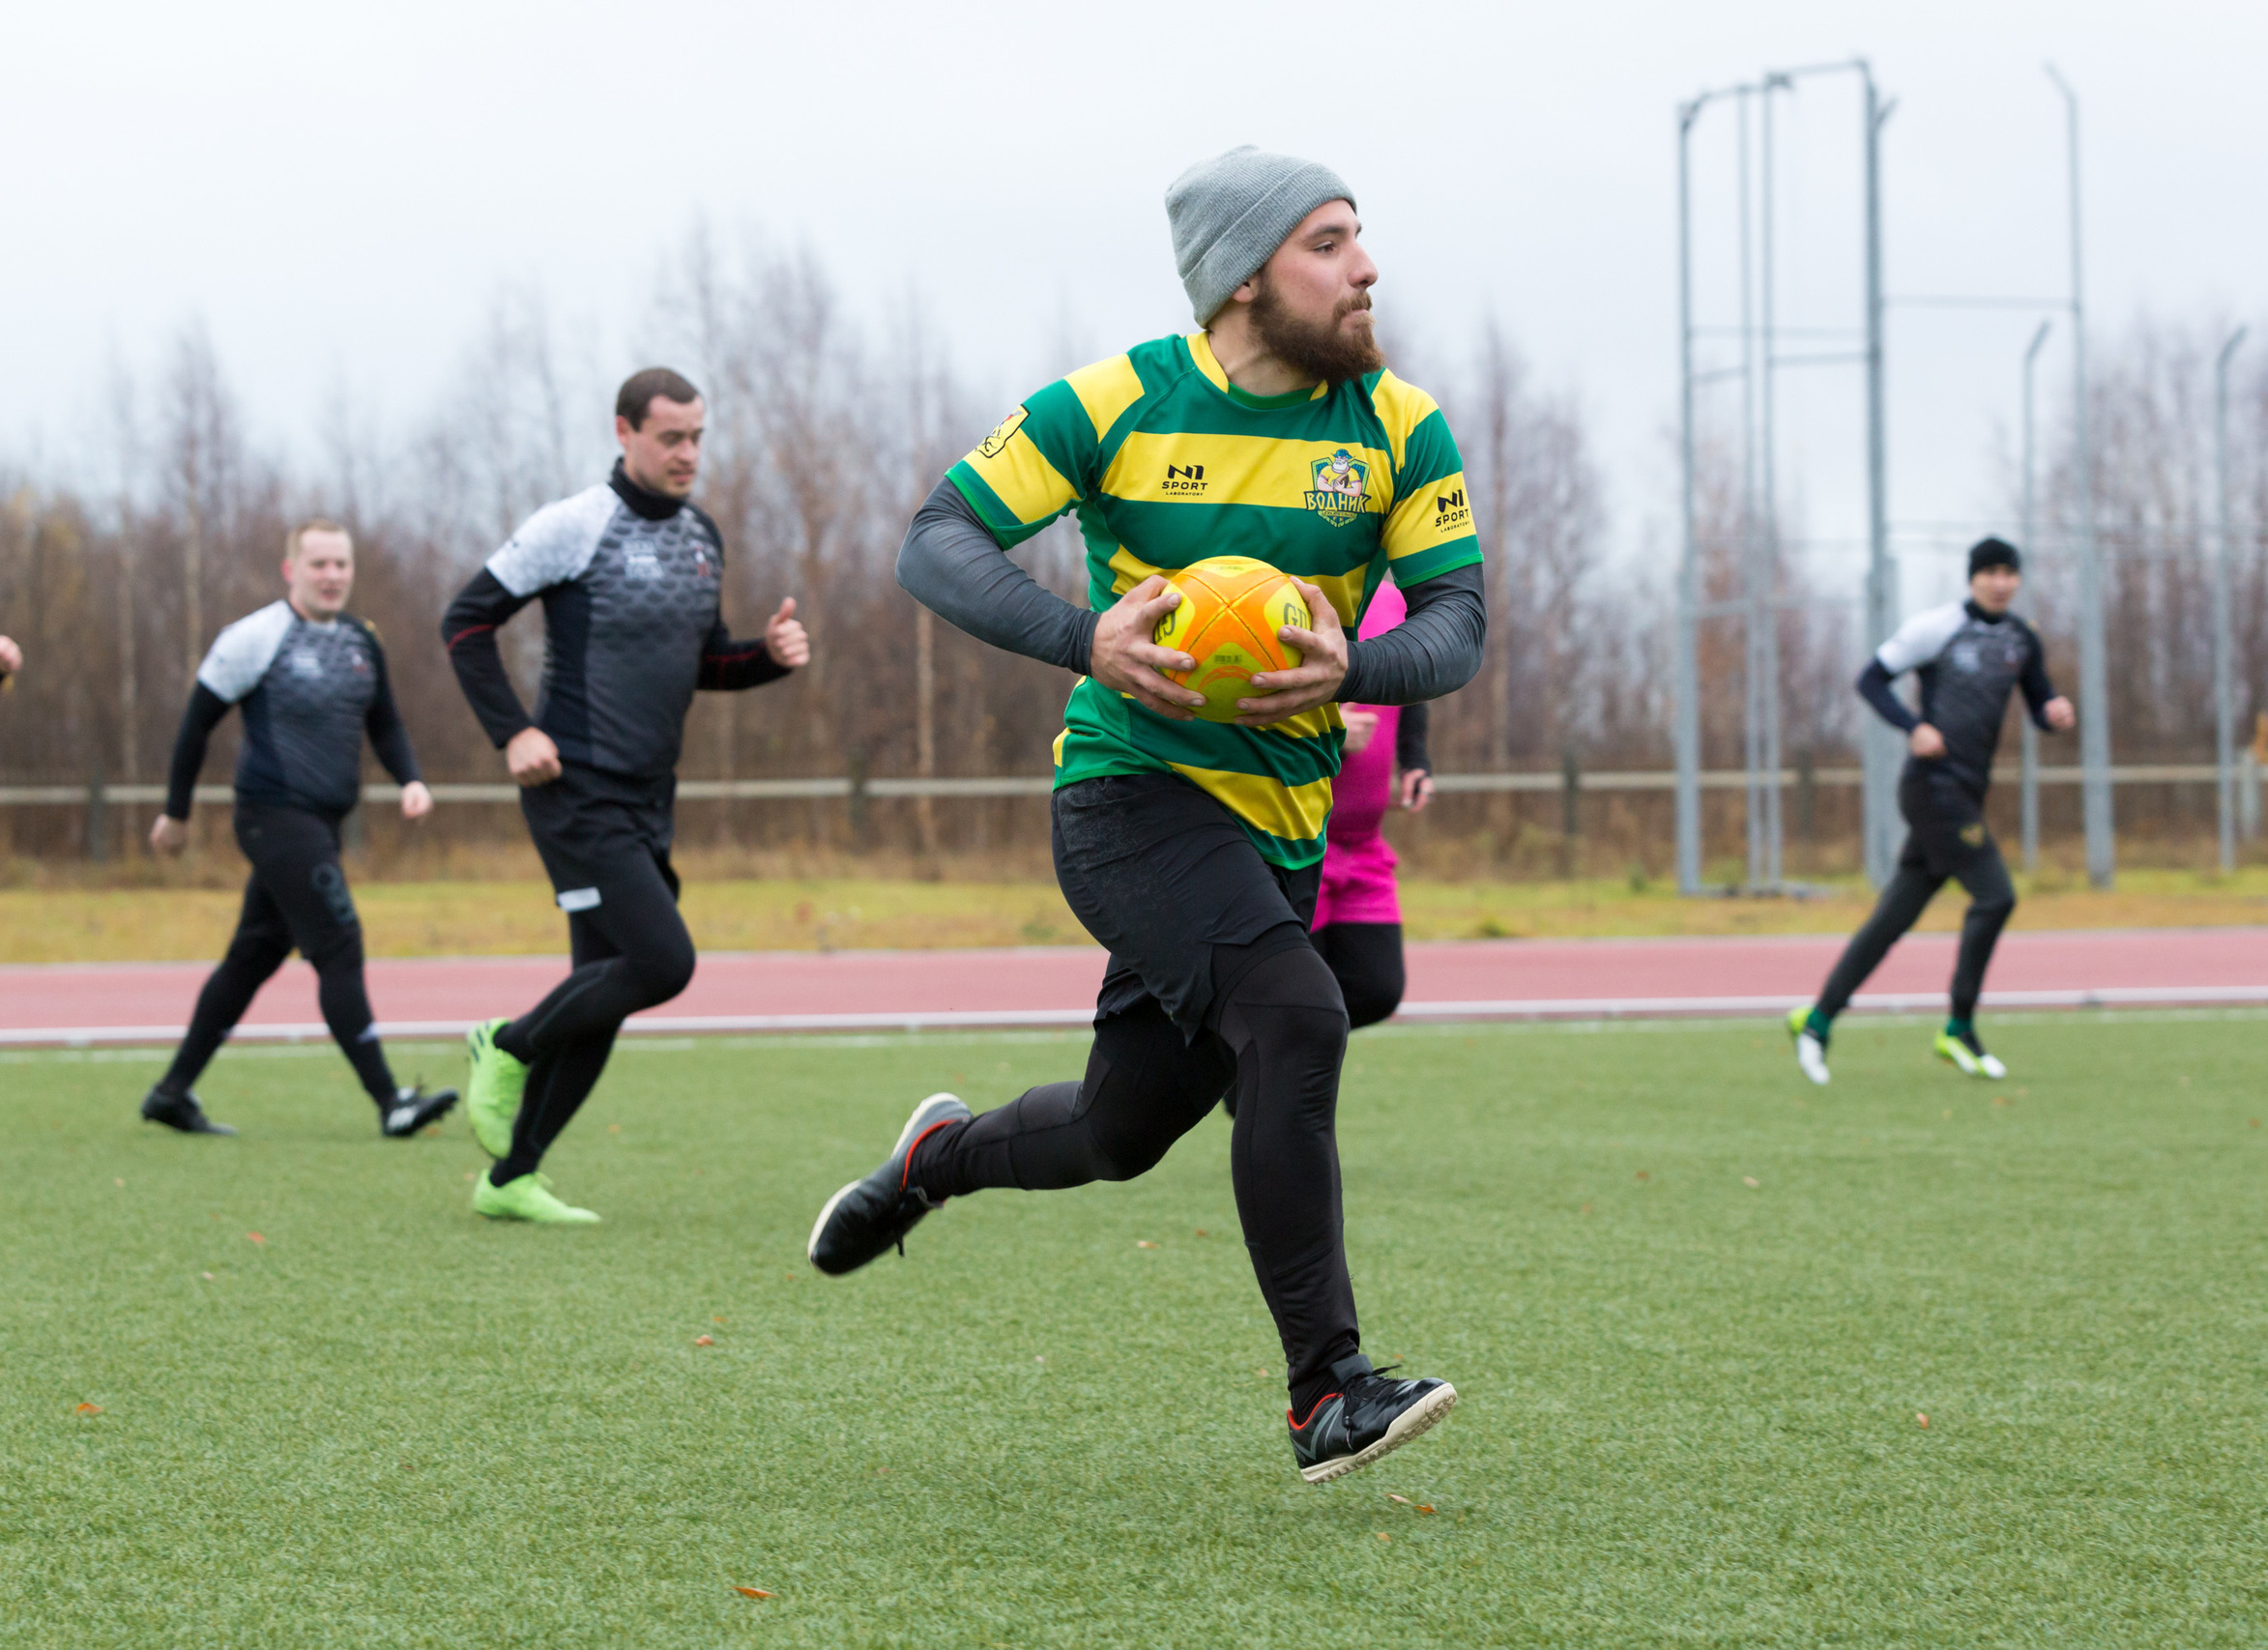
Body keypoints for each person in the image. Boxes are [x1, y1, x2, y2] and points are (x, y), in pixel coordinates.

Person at [807, 146, 1486, 1485]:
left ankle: (935, 1159)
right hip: (1128, 798)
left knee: (1120, 1131)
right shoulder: (1114, 399)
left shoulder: (1401, 422)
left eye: (1362, 238)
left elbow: (1458, 622)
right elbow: (936, 539)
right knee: (1298, 1009)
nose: (1366, 267)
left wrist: (1361, 665)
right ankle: (1326, 1392)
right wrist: (1083, 638)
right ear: (1244, 276)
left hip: (1277, 831)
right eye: (1331, 242)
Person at [441, 367, 807, 1224]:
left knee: (601, 989)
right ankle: (507, 1042)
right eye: (670, 437)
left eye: (698, 436)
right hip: (574, 786)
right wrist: (512, 731)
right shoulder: (574, 526)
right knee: (661, 962)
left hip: (649, 796)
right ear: (624, 432)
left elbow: (703, 660)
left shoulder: (700, 536)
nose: (688, 453)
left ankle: (510, 1178)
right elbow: (464, 622)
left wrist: (765, 656)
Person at [142, 521, 455, 1138]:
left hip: (321, 824)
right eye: (318, 564)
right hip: (273, 817)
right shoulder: (255, 638)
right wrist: (175, 814)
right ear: (292, 570)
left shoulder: (363, 642)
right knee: (339, 942)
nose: (332, 575)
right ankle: (391, 1100)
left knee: (252, 958)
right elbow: (194, 727)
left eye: (341, 564)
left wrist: (410, 780)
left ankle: (170, 1094)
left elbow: (386, 725)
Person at [1788, 536, 2076, 1086]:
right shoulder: (1936, 627)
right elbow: (1870, 680)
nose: (2000, 581)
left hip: (1967, 792)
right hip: (1932, 790)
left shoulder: (2021, 638)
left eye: (2008, 572)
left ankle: (1817, 1020)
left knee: (1893, 918)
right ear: (1972, 578)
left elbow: (2039, 700)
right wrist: (1912, 726)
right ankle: (1958, 1028)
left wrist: (2052, 713)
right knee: (1995, 896)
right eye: (1989, 571)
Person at [1312, 578, 1436, 1029]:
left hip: (1364, 846)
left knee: (1376, 987)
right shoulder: (1292, 590)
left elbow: (1412, 684)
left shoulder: (1395, 600)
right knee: (1301, 1000)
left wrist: (1414, 759)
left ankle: (1260, 1064)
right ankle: (1254, 1080)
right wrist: (1328, 730)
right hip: (1298, 843)